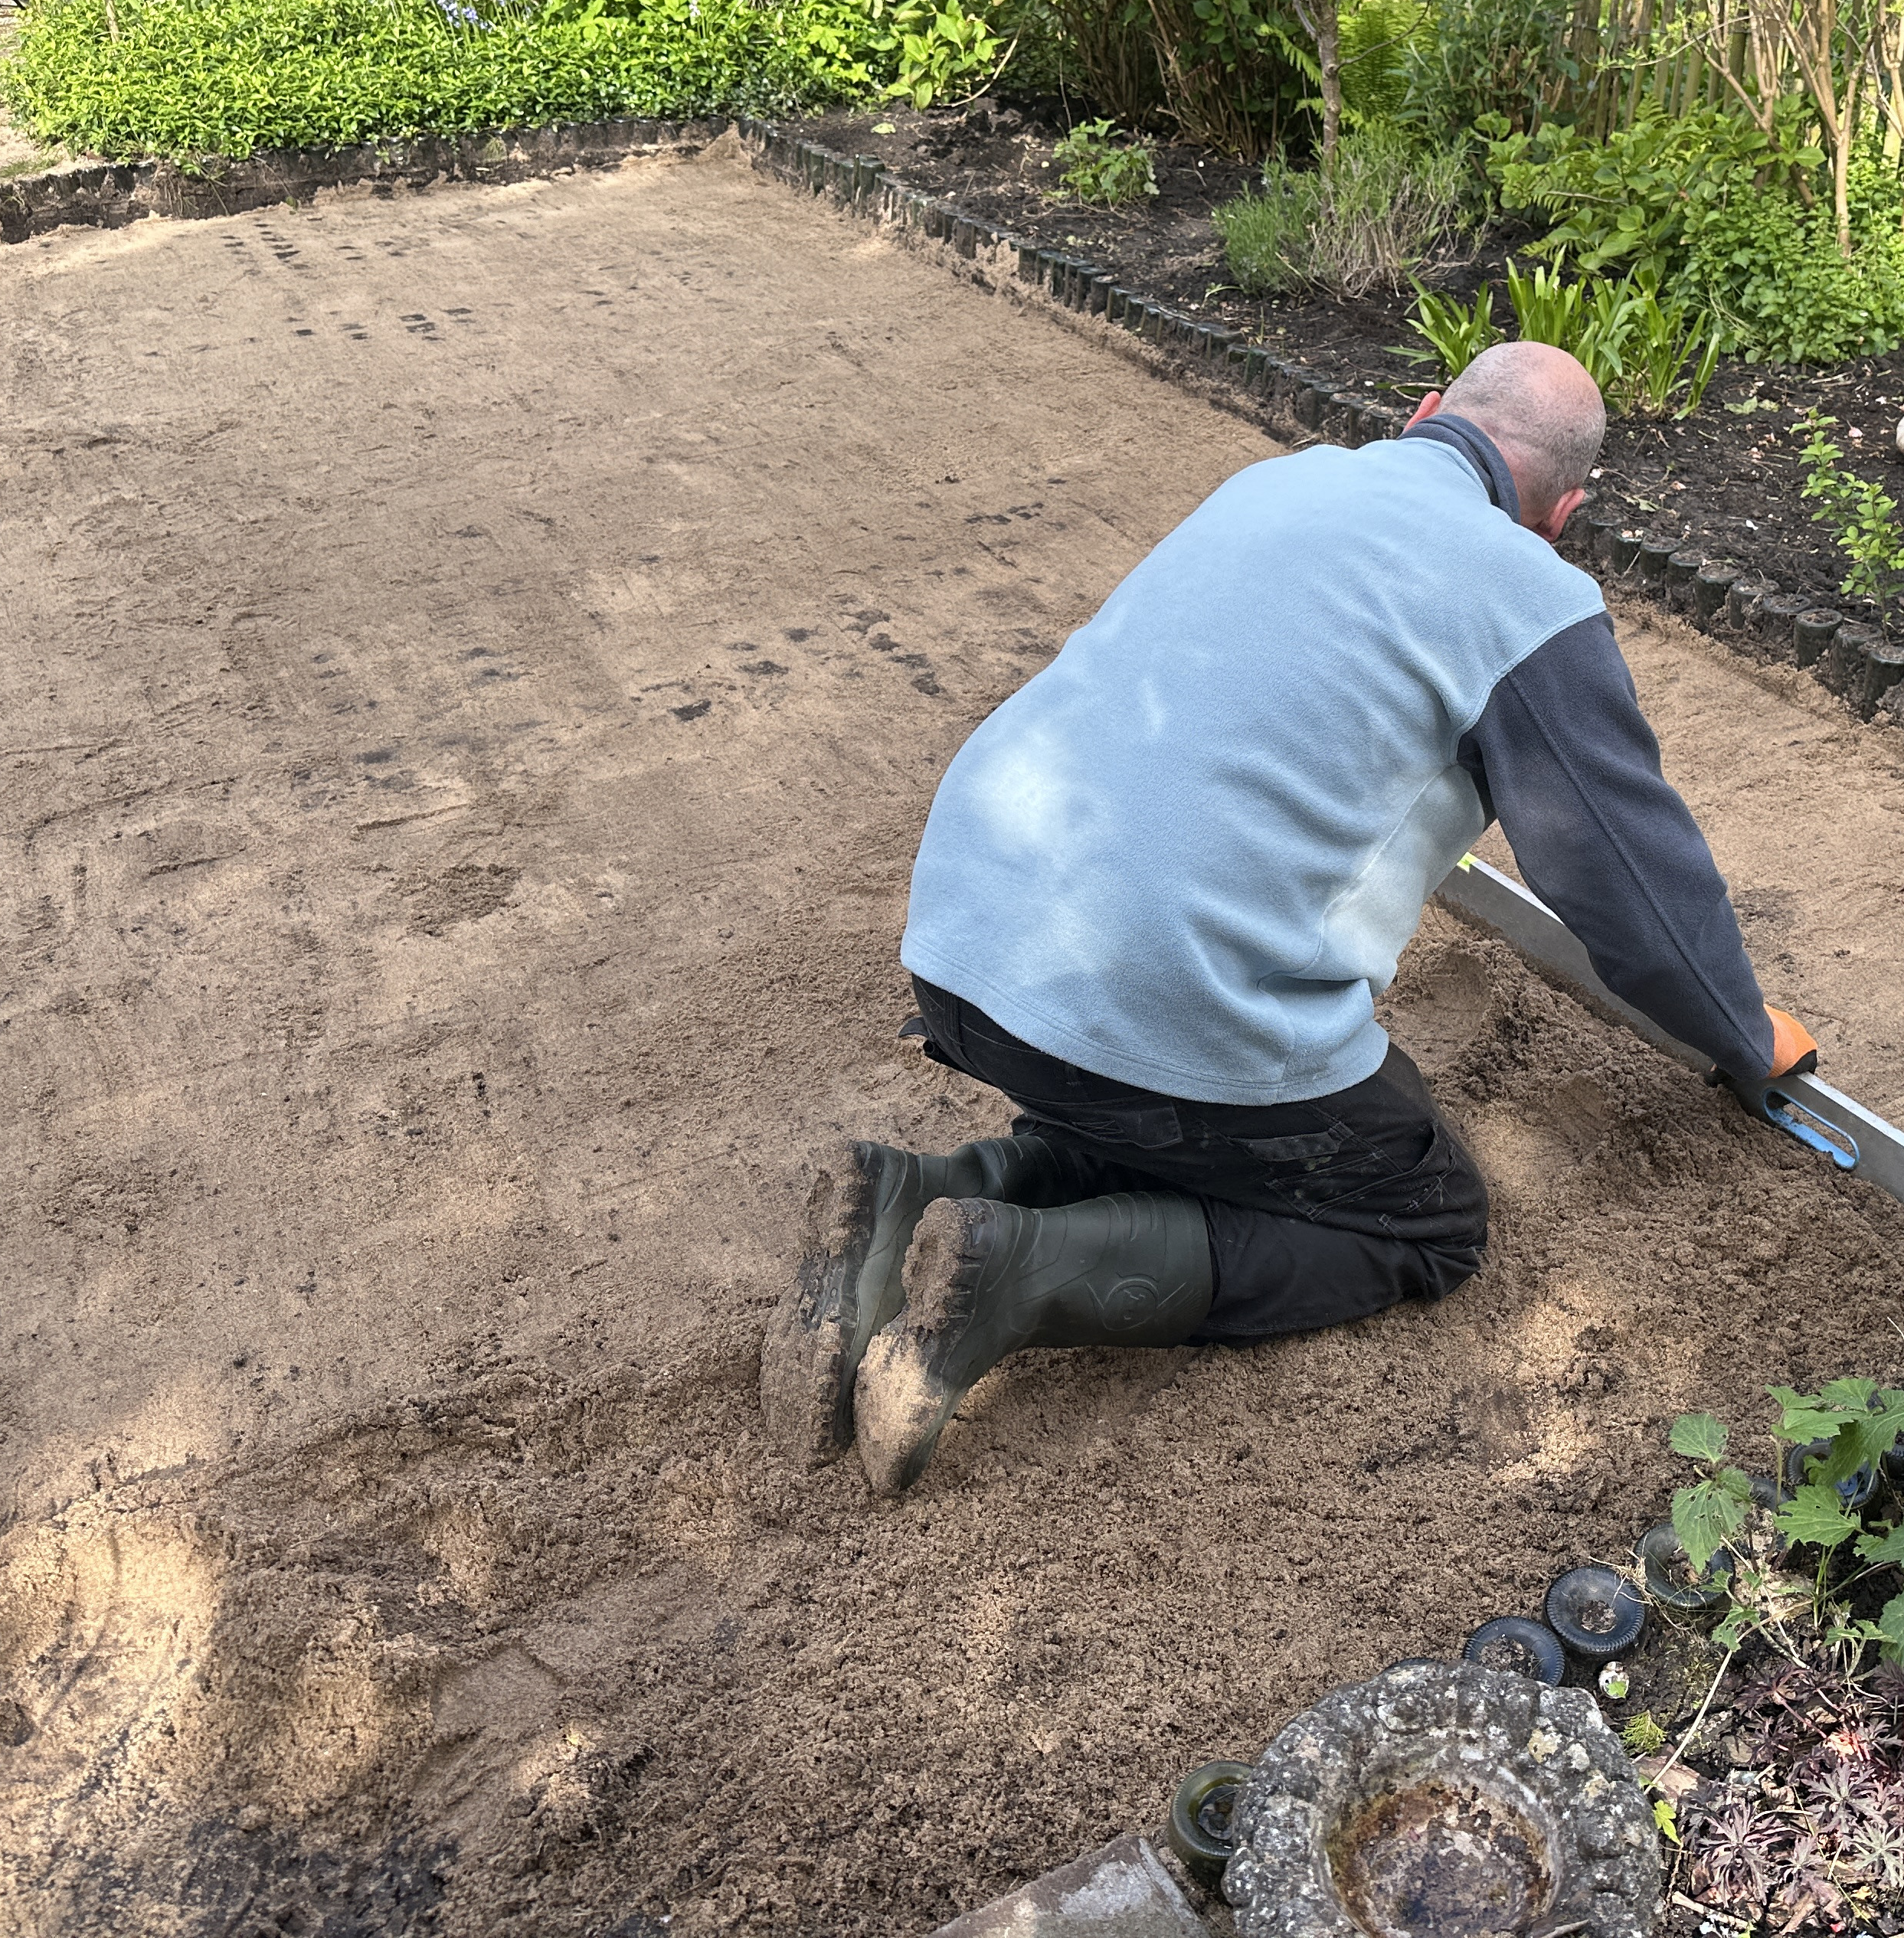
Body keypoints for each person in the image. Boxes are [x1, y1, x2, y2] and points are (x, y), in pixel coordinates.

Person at [758, 341, 1819, 1495]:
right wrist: (1736, 1030)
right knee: (1425, 1215)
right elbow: (1625, 880)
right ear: (1558, 514)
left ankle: (919, 1194)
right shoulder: (1525, 592)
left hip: (969, 944)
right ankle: (1025, 1274)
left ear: (1424, 415)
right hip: (1140, 995)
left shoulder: (1279, 479)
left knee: (1179, 1110)